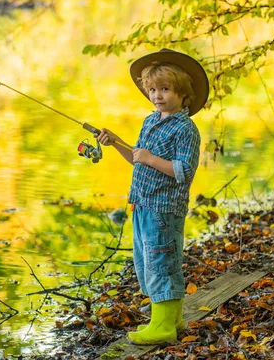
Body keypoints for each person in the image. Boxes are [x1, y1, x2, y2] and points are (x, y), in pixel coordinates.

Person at [95, 48, 209, 345]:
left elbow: (184, 170)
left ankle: (162, 328)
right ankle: (173, 319)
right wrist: (116, 143)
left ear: (183, 93)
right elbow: (137, 158)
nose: (158, 95)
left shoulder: (186, 129)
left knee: (162, 263)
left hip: (164, 209)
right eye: (153, 90)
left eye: (165, 89)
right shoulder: (150, 120)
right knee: (147, 262)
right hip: (143, 204)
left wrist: (149, 158)